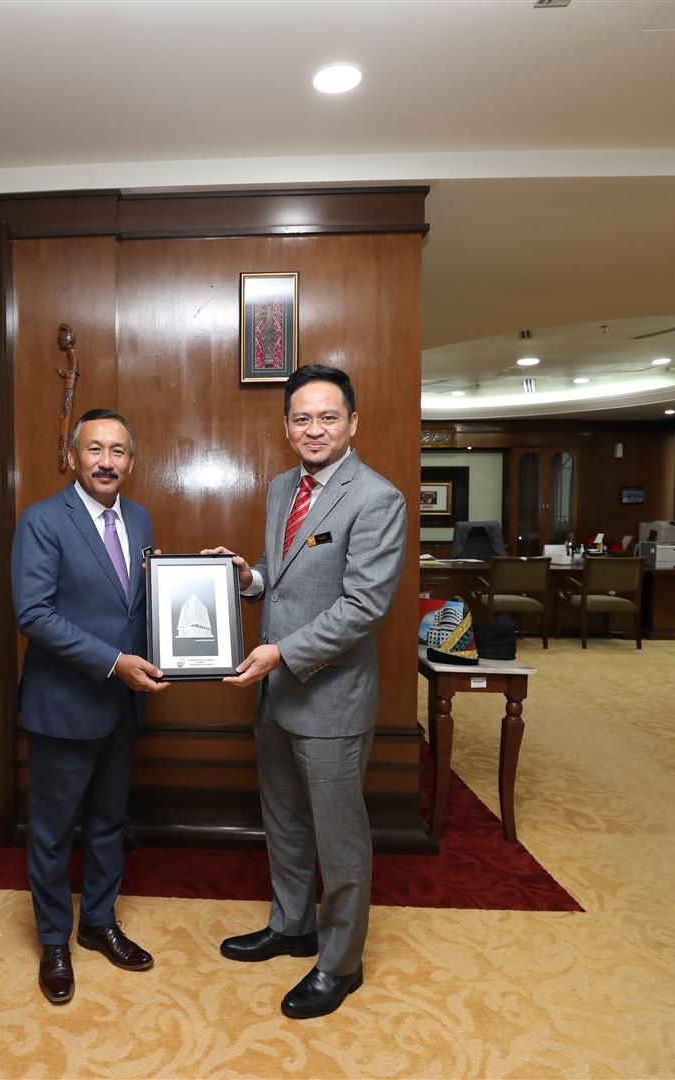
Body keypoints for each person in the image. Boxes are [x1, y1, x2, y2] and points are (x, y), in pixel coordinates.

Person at [203, 364, 409, 1020]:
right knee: (286, 821)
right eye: (301, 418)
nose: (313, 429)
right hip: (276, 695)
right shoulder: (281, 487)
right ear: (287, 425)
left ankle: (341, 962)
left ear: (353, 423)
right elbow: (282, 573)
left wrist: (282, 653)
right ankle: (292, 926)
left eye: (327, 417)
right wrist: (247, 578)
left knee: (339, 838)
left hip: (330, 698)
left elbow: (362, 606)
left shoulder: (377, 498)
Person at [11, 407, 168, 1006]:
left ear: (132, 461)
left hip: (122, 705)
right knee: (53, 833)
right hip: (64, 704)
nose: (106, 462)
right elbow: (34, 613)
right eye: (95, 449)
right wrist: (113, 662)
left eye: (118, 451)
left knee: (108, 823)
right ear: (74, 457)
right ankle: (54, 941)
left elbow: (139, 605)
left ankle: (98, 922)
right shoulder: (43, 520)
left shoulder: (141, 518)